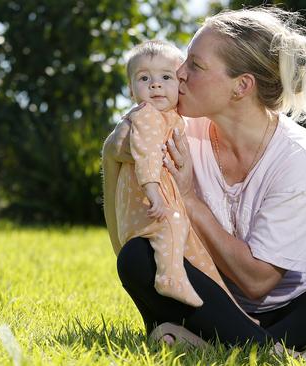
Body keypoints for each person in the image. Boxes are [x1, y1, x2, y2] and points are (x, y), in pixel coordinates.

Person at [103, 6, 306, 362]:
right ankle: (293, 354)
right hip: (213, 302)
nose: (180, 73)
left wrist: (190, 199)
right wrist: (113, 153)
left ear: (242, 86)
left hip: (298, 311)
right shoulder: (177, 132)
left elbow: (257, 281)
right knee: (138, 255)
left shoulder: (302, 160)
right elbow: (126, 234)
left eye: (196, 65)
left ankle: (226, 345)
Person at [109, 40, 257, 319]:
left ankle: (230, 314)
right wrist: (154, 195)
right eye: (144, 78)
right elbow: (147, 158)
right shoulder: (148, 118)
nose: (155, 85)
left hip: (157, 199)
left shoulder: (170, 116)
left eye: (166, 77)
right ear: (131, 90)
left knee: (193, 252)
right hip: (153, 201)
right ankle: (171, 277)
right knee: (179, 236)